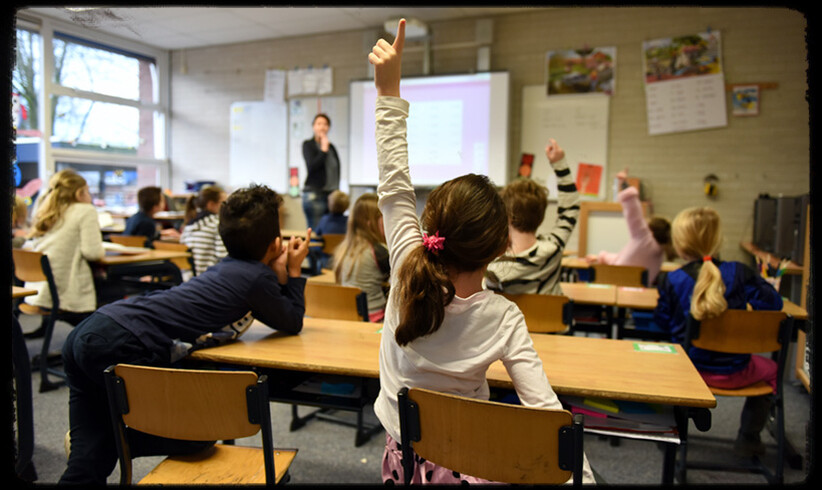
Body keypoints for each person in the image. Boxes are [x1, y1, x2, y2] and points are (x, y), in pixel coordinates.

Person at [368, 19, 594, 484]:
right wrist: (583, 477)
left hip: (402, 462)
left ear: (433, 224)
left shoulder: (407, 266)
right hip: (470, 465)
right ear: (497, 249)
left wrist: (388, 92)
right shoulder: (504, 316)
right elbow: (544, 409)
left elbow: (393, 184)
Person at [59, 184, 312, 485]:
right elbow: (292, 320)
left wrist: (277, 272)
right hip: (122, 342)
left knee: (85, 466)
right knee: (198, 438)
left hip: (92, 328)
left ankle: (99, 444)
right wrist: (294, 270)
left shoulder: (225, 268)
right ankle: (112, 442)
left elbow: (274, 307)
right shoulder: (256, 278)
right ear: (274, 244)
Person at [653, 206, 783, 458]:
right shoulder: (741, 273)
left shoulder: (672, 279)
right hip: (738, 371)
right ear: (718, 240)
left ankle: (671, 429)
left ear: (679, 244)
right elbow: (773, 304)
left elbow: (662, 323)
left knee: (665, 359)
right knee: (773, 371)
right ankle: (749, 437)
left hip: (688, 373)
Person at [484, 145, 580, 296]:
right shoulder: (553, 248)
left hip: (512, 320)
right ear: (541, 216)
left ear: (507, 216)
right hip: (550, 319)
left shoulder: (494, 269)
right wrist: (559, 163)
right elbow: (571, 208)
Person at [21, 169, 105, 328]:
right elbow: (92, 253)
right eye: (88, 191)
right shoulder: (85, 210)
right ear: (79, 193)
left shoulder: (44, 209)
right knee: (115, 289)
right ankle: (95, 339)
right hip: (66, 293)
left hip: (40, 290)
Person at [585, 167, 676, 286]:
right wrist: (600, 257)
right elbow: (623, 260)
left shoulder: (644, 238)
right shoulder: (659, 253)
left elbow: (633, 210)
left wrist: (624, 184)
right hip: (639, 296)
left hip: (617, 287)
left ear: (651, 230)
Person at [333, 193, 389, 322]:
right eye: (384, 218)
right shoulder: (378, 251)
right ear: (371, 223)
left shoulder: (344, 248)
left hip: (348, 318)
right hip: (375, 320)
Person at [302, 113, 341, 229]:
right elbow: (312, 167)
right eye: (319, 124)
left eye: (325, 124)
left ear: (328, 127)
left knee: (328, 232)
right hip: (315, 195)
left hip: (331, 196)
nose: (322, 127)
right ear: (313, 126)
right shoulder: (308, 145)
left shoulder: (332, 147)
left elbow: (336, 170)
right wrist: (323, 150)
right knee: (315, 233)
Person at [179, 185, 228, 276]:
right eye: (224, 203)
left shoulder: (188, 225)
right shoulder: (217, 224)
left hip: (188, 280)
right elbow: (223, 257)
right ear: (211, 205)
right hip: (210, 280)